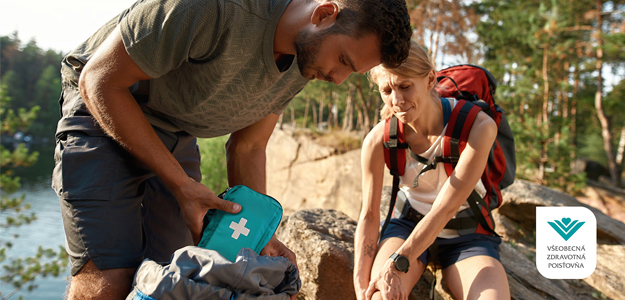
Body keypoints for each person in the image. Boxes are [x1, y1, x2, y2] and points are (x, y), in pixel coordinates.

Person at [51, 0, 412, 298]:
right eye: (344, 61)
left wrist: (260, 231)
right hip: (104, 111)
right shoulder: (214, 8)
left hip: (176, 132)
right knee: (109, 281)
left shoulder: (305, 61)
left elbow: (249, 146)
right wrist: (180, 184)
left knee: (178, 280)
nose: (337, 79)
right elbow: (98, 80)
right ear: (323, 14)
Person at [353, 41, 510, 300]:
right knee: (380, 296)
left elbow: (445, 208)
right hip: (406, 225)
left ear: (429, 80)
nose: (397, 101)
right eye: (387, 90)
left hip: (467, 233)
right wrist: (362, 287)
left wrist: (395, 264)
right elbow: (369, 215)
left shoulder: (477, 127)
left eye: (405, 86)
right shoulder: (378, 140)